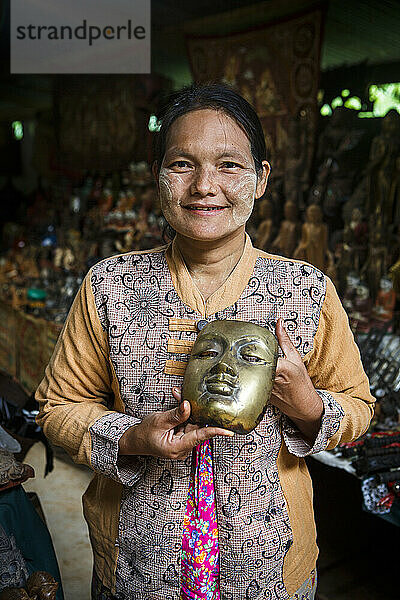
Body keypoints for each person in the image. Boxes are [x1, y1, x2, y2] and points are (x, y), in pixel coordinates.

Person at [36, 84, 375, 600]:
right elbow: (60, 406)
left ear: (261, 179)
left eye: (229, 165)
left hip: (269, 575)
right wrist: (130, 439)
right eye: (181, 164)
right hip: (137, 570)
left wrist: (310, 407)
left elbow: (358, 406)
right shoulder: (111, 284)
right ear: (158, 177)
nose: (204, 186)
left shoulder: (306, 290)